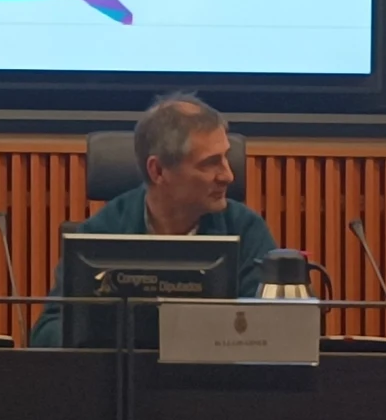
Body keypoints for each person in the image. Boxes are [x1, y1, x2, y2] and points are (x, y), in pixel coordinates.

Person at [28, 95, 277, 347]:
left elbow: (274, 328)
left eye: (225, 157)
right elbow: (46, 333)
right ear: (158, 171)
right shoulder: (104, 230)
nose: (228, 175)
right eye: (210, 163)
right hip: (122, 381)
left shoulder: (246, 229)